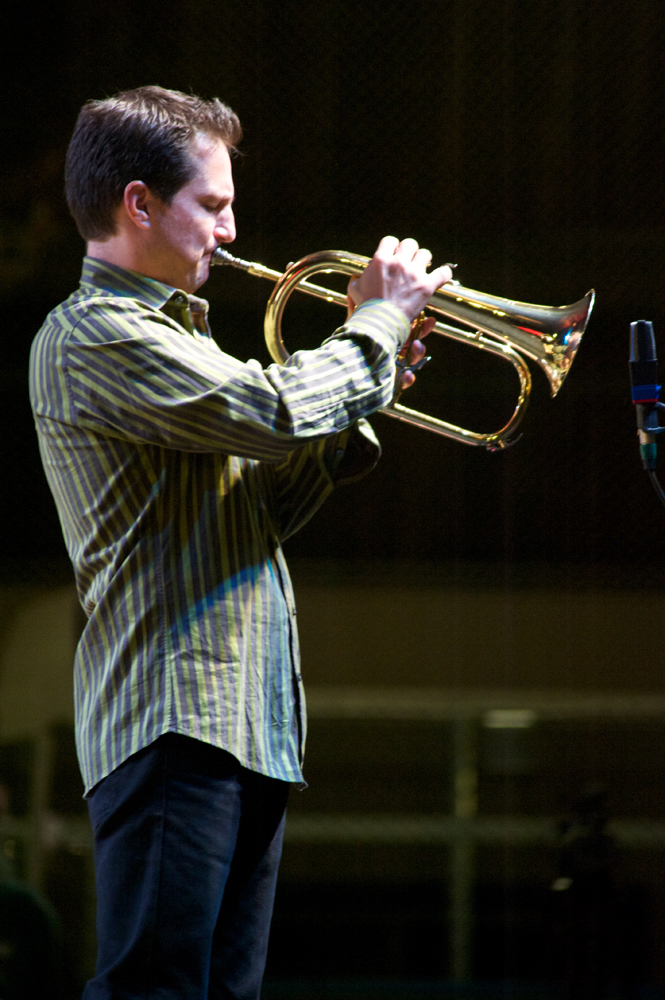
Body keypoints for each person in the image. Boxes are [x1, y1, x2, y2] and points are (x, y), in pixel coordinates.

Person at [28, 85, 452, 1000]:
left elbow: (256, 505)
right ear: (139, 203)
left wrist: (364, 381)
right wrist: (371, 329)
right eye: (212, 206)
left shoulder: (188, 338)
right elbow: (272, 410)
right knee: (158, 991)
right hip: (174, 718)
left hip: (242, 723)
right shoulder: (95, 333)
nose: (229, 229)